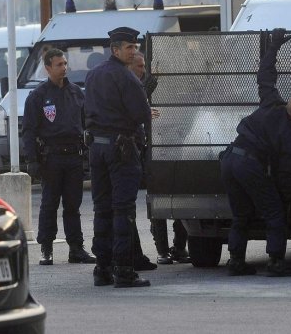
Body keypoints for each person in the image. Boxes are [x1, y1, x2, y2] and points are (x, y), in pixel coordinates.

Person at [220, 28, 291, 277]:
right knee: (274, 212)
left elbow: (265, 75)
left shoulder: (271, 101)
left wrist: (274, 47)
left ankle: (236, 261)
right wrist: (284, 198)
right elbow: (287, 171)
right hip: (249, 165)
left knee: (241, 214)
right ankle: (276, 262)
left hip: (229, 158)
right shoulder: (290, 134)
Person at [83, 26, 153, 288]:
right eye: (128, 47)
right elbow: (141, 114)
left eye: (134, 47)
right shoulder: (126, 77)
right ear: (115, 50)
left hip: (97, 147)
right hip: (121, 148)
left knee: (102, 208)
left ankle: (102, 268)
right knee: (123, 209)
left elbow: (85, 109)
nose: (133, 51)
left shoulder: (93, 74)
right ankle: (123, 270)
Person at [22, 48, 95, 266]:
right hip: (51, 158)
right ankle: (46, 248)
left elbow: (87, 122)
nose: (64, 68)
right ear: (48, 68)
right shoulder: (38, 96)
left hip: (74, 156)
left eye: (65, 64)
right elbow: (28, 131)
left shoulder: (76, 92)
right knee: (49, 204)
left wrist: (88, 152)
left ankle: (76, 248)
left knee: (73, 205)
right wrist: (32, 160)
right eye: (59, 65)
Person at [129, 50, 188, 265]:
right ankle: (163, 250)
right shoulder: (132, 86)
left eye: (145, 67)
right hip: (150, 150)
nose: (144, 71)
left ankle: (178, 247)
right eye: (140, 66)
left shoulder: (166, 87)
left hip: (172, 144)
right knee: (158, 200)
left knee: (180, 200)